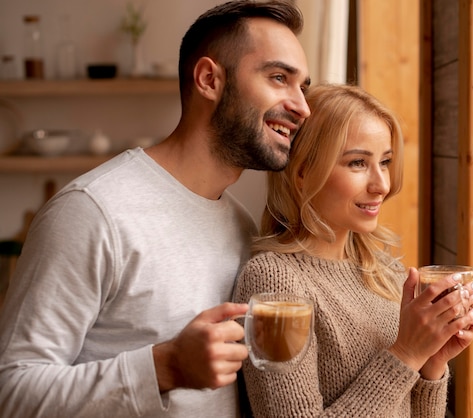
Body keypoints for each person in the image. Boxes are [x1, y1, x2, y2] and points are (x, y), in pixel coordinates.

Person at [0, 1, 311, 416]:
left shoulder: (239, 224)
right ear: (208, 80)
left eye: (302, 87)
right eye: (278, 78)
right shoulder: (93, 212)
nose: (302, 107)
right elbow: (12, 392)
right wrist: (165, 366)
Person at [233, 84, 473, 417]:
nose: (381, 184)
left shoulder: (387, 273)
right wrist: (407, 353)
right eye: (357, 163)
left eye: (384, 162)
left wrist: (433, 361)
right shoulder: (273, 282)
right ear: (303, 173)